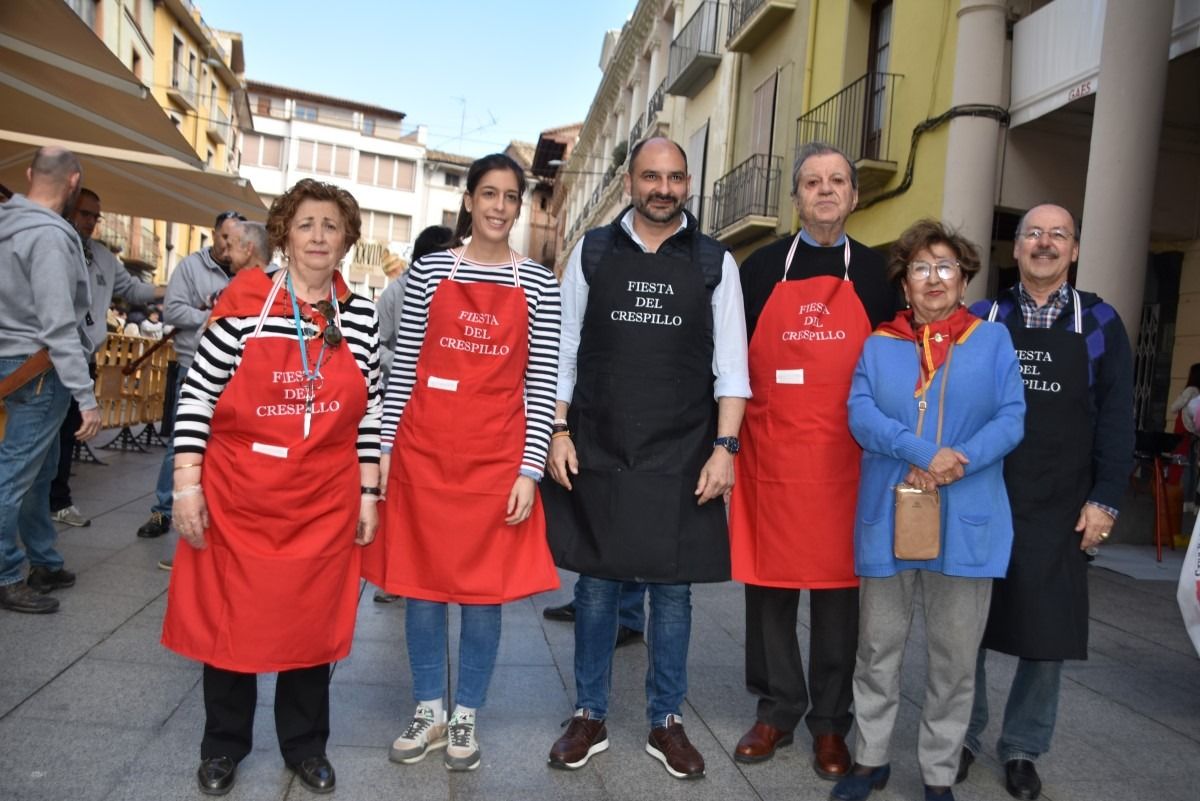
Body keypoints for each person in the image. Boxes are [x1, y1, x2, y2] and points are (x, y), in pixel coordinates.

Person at [160, 179, 381, 796]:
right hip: (239, 494)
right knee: (230, 622)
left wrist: (369, 493)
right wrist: (186, 486)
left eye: (331, 227)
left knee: (311, 625)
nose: (317, 236)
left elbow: (370, 412)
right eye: (306, 224)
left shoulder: (359, 318)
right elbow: (198, 396)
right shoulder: (245, 306)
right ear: (284, 234)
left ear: (346, 242)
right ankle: (223, 746)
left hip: (323, 498)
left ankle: (306, 746)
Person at [543, 137, 751, 780]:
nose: (664, 188)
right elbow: (564, 349)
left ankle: (667, 720)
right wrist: (558, 429)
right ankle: (589, 713)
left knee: (673, 592)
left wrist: (725, 449)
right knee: (598, 587)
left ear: (689, 183)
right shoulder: (593, 251)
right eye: (651, 176)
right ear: (630, 180)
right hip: (601, 444)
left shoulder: (716, 262)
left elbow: (732, 369)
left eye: (676, 177)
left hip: (683, 451)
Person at [362, 153, 561, 772]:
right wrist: (388, 447)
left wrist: (530, 470)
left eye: (511, 197)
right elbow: (406, 371)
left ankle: (466, 713)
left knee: (482, 594)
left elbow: (542, 381)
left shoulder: (540, 284)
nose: (500, 207)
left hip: (496, 459)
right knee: (421, 590)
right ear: (470, 200)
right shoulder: (428, 274)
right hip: (423, 451)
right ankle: (428, 709)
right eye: (489, 194)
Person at [831, 220, 1024, 801]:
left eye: (945, 267)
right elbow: (862, 416)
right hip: (888, 519)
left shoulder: (992, 341)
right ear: (905, 284)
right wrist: (922, 453)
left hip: (967, 522)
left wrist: (956, 460)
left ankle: (939, 774)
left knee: (954, 661)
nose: (933, 278)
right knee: (877, 650)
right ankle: (869, 760)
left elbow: (1012, 418)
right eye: (921, 267)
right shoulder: (878, 343)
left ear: (964, 280)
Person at [729, 142, 898, 777]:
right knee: (770, 588)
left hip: (850, 462)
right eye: (811, 181)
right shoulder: (761, 268)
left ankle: (831, 723)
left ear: (855, 196)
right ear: (796, 197)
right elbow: (729, 362)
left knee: (839, 599)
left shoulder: (882, 276)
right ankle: (776, 710)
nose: (824, 191)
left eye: (836, 181)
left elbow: (905, 364)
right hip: (772, 454)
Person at [962, 204, 1134, 801]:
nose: (1044, 243)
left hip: (1061, 504)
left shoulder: (1103, 323)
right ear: (1015, 250)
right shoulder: (982, 318)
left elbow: (1116, 420)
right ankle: (963, 735)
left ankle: (1023, 748)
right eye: (1032, 233)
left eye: (1058, 235)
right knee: (970, 626)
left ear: (1075, 251)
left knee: (1047, 633)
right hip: (983, 495)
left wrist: (1105, 501)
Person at [0, 146, 100, 615]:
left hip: (13, 362)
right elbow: (60, 327)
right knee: (14, 475)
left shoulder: (7, 226)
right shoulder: (51, 238)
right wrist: (87, 397)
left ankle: (44, 559)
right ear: (73, 181)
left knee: (38, 473)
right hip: (41, 368)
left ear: (27, 174)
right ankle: (5, 574)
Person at [49, 187, 164, 529]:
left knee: (69, 432)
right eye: (85, 214)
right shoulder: (51, 244)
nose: (91, 222)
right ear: (68, 210)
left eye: (95, 217)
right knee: (37, 440)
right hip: (43, 359)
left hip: (84, 357)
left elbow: (133, 290)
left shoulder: (101, 256)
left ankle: (57, 500)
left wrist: (174, 289)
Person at [135, 210, 246, 541]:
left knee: (230, 443)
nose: (230, 245)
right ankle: (162, 511)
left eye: (238, 239)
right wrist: (216, 312)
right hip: (193, 366)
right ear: (213, 235)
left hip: (238, 375)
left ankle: (221, 511)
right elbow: (172, 310)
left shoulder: (253, 270)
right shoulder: (191, 267)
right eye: (226, 237)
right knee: (181, 442)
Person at [368, 224, 452, 605]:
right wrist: (406, 365)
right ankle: (395, 577)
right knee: (402, 491)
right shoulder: (396, 293)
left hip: (446, 410)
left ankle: (432, 568)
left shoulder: (459, 289)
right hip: (402, 402)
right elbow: (378, 345)